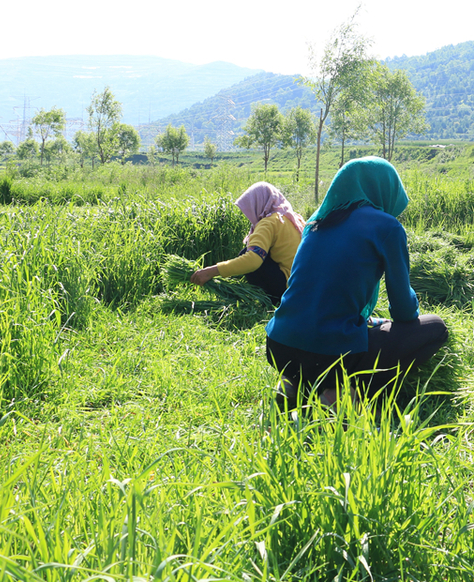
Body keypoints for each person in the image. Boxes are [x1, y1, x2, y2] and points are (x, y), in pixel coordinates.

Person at [265, 157, 449, 410]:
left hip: (278, 347)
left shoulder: (317, 223)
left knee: (353, 331)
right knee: (436, 328)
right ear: (385, 188)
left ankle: (293, 384)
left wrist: (372, 321)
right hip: (330, 354)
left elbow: (317, 296)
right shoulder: (387, 226)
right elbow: (404, 311)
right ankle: (339, 395)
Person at [190, 182, 304, 305]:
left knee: (248, 254)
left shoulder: (269, 223)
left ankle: (273, 301)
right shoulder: (292, 218)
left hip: (287, 288)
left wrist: (211, 271)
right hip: (305, 286)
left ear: (257, 205)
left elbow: (253, 260)